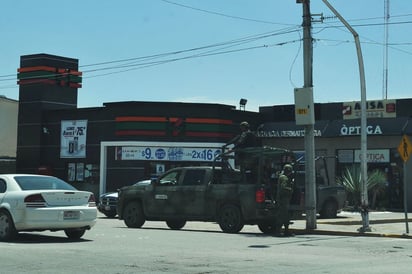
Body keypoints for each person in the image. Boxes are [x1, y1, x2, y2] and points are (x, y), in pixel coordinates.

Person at [275, 164, 295, 236]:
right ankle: (278, 231)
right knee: (282, 215)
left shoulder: (282, 177)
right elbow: (283, 188)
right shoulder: (284, 178)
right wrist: (291, 189)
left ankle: (286, 230)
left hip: (283, 199)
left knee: (285, 215)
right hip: (283, 199)